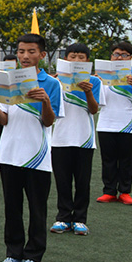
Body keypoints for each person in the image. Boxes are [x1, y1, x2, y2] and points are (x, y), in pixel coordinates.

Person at [0, 34, 62, 262]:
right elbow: (3, 120)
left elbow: (49, 121)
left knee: (37, 209)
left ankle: (33, 255)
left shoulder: (51, 84)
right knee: (12, 208)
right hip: (9, 154)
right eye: (21, 51)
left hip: (37, 157)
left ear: (42, 55)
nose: (25, 56)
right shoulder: (8, 81)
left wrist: (45, 101)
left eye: (31, 51)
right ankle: (13, 253)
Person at [49, 43, 100, 236]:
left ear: (87, 61)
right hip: (60, 139)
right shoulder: (56, 82)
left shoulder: (94, 82)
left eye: (81, 57)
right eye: (72, 56)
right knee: (62, 181)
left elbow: (94, 110)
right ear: (66, 59)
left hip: (84, 139)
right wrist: (55, 83)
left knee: (82, 182)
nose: (76, 60)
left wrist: (88, 91)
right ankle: (63, 217)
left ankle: (80, 219)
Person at [95, 42, 132, 206]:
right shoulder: (102, 75)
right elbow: (96, 101)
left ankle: (125, 192)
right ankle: (109, 191)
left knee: (127, 161)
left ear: (130, 58)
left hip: (129, 124)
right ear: (111, 56)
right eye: (116, 54)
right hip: (106, 123)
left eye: (124, 55)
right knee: (108, 160)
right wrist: (97, 82)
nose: (119, 58)